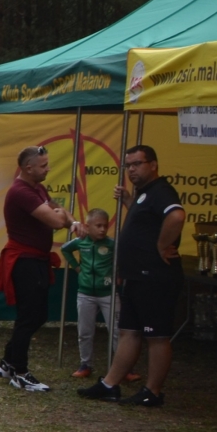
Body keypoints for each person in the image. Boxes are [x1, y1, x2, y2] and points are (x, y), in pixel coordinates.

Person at [80, 146, 185, 406]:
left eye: (137, 163)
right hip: (135, 276)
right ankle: (110, 384)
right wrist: (129, 201)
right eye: (128, 165)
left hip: (154, 276)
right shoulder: (143, 194)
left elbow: (176, 216)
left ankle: (153, 392)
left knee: (156, 336)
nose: (132, 170)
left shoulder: (161, 190)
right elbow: (145, 223)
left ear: (153, 164)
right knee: (128, 331)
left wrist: (162, 245)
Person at [0, 145, 74, 392]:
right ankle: (20, 372)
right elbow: (57, 219)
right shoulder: (21, 192)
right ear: (28, 167)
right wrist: (64, 218)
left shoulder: (37, 188)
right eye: (43, 165)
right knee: (30, 316)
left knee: (35, 315)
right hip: (25, 260)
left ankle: (8, 362)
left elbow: (58, 209)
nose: (48, 169)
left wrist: (68, 218)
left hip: (36, 259)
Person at [62, 208, 114, 377]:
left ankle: (124, 367)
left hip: (108, 293)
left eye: (105, 226)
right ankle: (85, 364)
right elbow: (65, 249)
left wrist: (118, 274)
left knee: (116, 331)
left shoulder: (111, 244)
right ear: (87, 226)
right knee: (85, 332)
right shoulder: (81, 242)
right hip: (85, 293)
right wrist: (77, 268)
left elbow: (123, 257)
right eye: (98, 226)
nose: (102, 229)